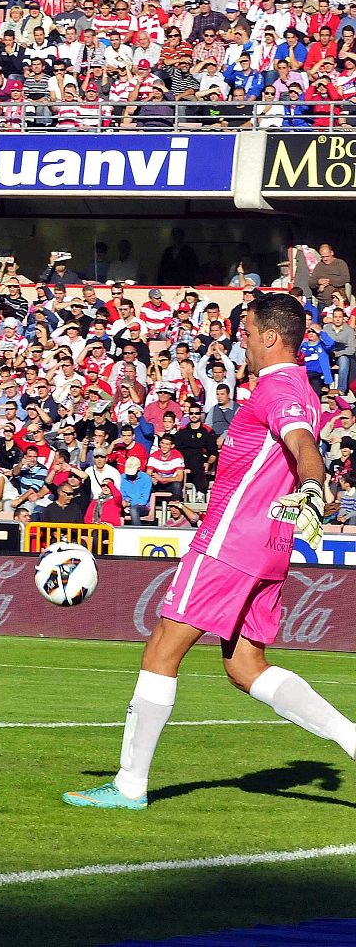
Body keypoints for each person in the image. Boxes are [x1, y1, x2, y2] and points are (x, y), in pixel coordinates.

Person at [65, 293, 356, 811]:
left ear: (270, 337)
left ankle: (129, 785)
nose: (240, 340)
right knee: (245, 664)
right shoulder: (304, 390)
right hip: (269, 545)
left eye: (246, 331)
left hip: (230, 542)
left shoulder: (280, 387)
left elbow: (301, 444)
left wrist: (313, 484)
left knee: (161, 648)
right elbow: (298, 440)